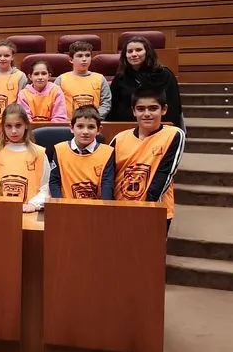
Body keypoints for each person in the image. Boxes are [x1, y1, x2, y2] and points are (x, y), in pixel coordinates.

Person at [110, 87, 186, 230]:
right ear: (133, 111)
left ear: (164, 109)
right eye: (141, 109)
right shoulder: (119, 138)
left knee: (149, 252)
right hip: (120, 208)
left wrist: (148, 209)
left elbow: (165, 174)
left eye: (153, 108)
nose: (147, 114)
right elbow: (108, 175)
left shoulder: (174, 135)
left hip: (154, 209)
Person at [0, 103, 49, 213]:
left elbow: (46, 187)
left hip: (29, 211)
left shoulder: (39, 153)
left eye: (18, 125)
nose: (13, 131)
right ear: (3, 127)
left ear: (26, 125)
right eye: (9, 126)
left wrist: (34, 204)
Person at [109, 35, 184, 128]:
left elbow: (174, 107)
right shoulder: (120, 77)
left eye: (138, 50)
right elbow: (113, 107)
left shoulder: (164, 74)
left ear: (147, 52)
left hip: (160, 129)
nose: (134, 54)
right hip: (126, 129)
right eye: (129, 51)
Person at [49, 105, 115, 201]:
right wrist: (60, 206)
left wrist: (103, 209)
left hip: (96, 210)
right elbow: (54, 182)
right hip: (66, 208)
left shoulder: (107, 152)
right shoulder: (60, 150)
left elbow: (107, 184)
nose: (85, 131)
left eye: (91, 127)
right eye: (80, 126)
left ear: (99, 130)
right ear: (71, 128)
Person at [55, 41, 111, 118]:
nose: (84, 59)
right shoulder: (61, 79)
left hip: (94, 123)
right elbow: (55, 104)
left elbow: (106, 103)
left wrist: (94, 118)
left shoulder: (100, 78)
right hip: (68, 123)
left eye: (87, 55)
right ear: (71, 59)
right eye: (80, 56)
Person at [0, 40, 27, 129]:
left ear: (12, 57)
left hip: (12, 126)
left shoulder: (20, 76)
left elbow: (23, 103)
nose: (2, 58)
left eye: (6, 55)